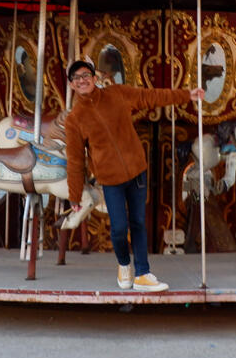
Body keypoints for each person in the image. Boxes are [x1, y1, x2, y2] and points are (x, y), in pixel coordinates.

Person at [63, 59, 205, 292]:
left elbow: (150, 96)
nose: (82, 80)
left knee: (138, 222)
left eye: (85, 75)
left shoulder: (117, 93)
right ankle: (123, 264)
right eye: (76, 78)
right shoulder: (74, 119)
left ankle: (143, 273)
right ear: (71, 85)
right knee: (119, 229)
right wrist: (74, 195)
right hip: (110, 180)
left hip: (137, 169)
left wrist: (186, 95)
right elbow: (76, 160)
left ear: (95, 78)